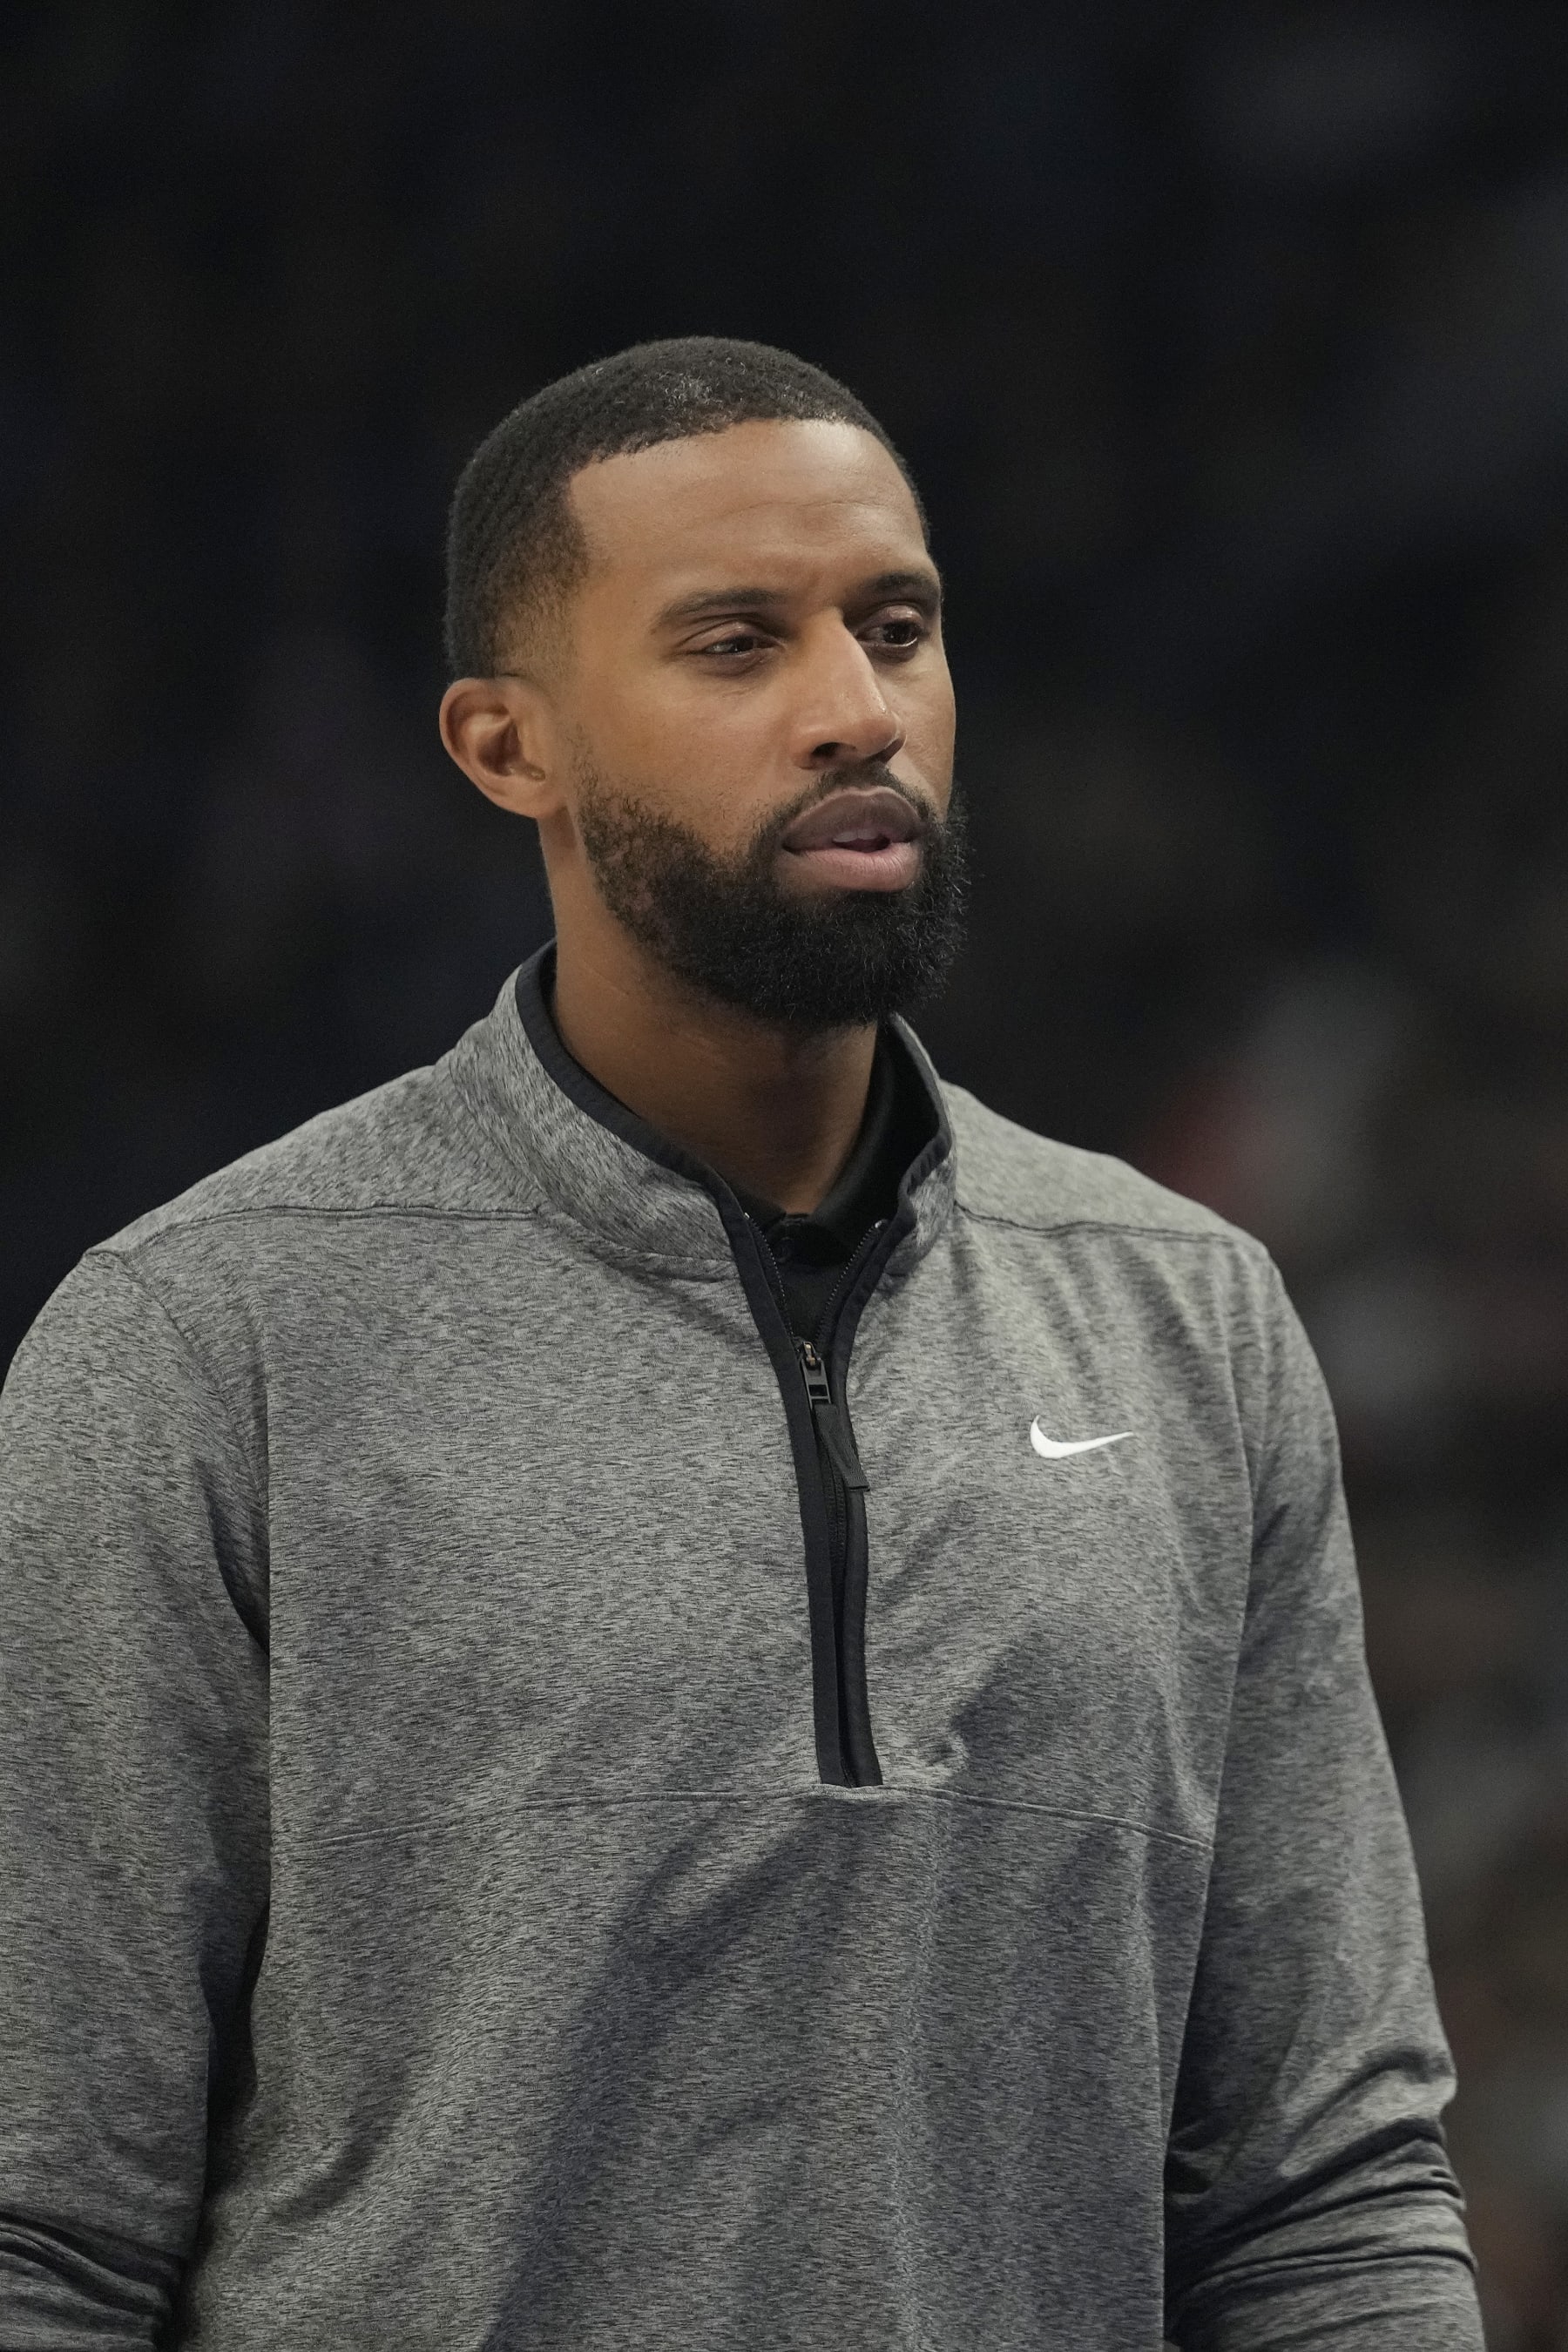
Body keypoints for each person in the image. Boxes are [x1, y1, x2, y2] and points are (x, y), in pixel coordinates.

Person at [0, 335, 1483, 2350]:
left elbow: (1327, 2200)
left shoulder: (1184, 1318)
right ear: (507, 746)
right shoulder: (205, 1343)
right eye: (735, 643)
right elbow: (46, 2229)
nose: (856, 709)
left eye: (897, 628)